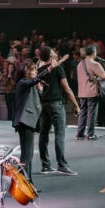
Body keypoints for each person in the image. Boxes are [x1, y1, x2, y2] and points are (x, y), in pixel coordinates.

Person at [36, 47, 79, 176]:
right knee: (59, 133)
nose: (56, 53)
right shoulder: (58, 69)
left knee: (43, 134)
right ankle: (62, 165)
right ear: (51, 56)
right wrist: (76, 105)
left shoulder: (41, 70)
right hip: (56, 104)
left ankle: (46, 165)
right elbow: (67, 89)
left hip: (44, 104)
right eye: (53, 52)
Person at [12, 60, 46, 180]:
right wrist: (49, 68)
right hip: (24, 122)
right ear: (27, 71)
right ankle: (22, 182)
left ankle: (29, 182)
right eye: (33, 69)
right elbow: (35, 80)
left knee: (29, 155)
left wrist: (39, 89)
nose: (36, 71)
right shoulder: (22, 83)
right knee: (26, 155)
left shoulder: (30, 85)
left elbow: (36, 100)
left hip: (29, 122)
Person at [75, 44, 105, 141]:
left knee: (83, 113)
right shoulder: (95, 64)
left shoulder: (79, 64)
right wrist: (99, 79)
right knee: (92, 114)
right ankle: (90, 135)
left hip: (81, 92)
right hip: (91, 92)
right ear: (94, 53)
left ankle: (80, 134)